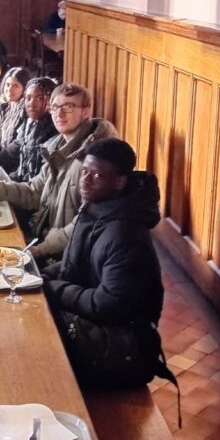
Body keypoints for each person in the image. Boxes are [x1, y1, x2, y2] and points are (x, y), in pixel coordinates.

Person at [44, 139, 167, 389]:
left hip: (116, 348)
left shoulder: (125, 235)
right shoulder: (98, 208)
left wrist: (53, 289)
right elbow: (76, 261)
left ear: (120, 182)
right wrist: (39, 273)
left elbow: (108, 305)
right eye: (84, 171)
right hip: (89, 321)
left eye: (97, 175)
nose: (85, 180)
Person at [0, 82, 117, 265]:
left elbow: (85, 223)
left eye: (68, 106)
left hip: (65, 258)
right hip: (43, 240)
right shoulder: (56, 147)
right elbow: (34, 191)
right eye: (55, 107)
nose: (59, 114)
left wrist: (40, 250)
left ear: (86, 112)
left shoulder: (95, 161)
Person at [0, 76, 57, 181]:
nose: (32, 104)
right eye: (28, 98)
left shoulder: (54, 131)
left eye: (39, 99)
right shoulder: (28, 124)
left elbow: (37, 181)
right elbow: (10, 153)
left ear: (51, 102)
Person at [0, 66, 29, 155]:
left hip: (8, 161)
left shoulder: (26, 111)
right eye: (7, 84)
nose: (9, 89)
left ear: (24, 89)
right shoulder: (7, 106)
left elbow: (17, 146)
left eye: (16, 86)